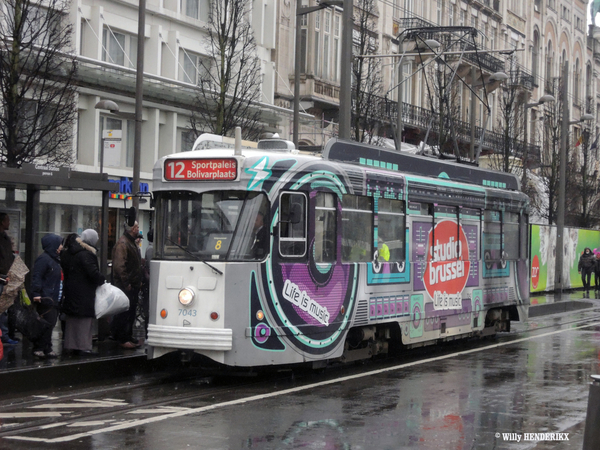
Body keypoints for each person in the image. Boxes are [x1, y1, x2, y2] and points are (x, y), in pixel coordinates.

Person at [60, 229, 105, 355]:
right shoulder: (87, 254)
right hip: (84, 294)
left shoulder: (70, 252)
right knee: (84, 322)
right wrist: (102, 279)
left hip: (71, 293)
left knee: (72, 322)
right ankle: (83, 347)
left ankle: (71, 345)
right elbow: (93, 274)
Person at [30, 234, 63, 358]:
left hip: (53, 298)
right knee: (44, 324)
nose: (61, 247)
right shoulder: (44, 259)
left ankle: (47, 347)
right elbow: (37, 277)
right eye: (59, 244)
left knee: (50, 323)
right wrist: (36, 293)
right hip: (46, 298)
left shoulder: (55, 260)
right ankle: (39, 347)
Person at [110, 221, 143, 349]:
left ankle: (127, 335)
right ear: (133, 229)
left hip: (132, 284)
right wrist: (126, 283)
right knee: (124, 313)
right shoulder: (123, 243)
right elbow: (119, 266)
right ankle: (122, 337)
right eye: (137, 227)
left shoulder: (129, 243)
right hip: (125, 286)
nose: (138, 229)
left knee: (130, 312)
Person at [0, 212, 18, 345]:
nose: (9, 223)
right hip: (1, 277)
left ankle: (5, 335)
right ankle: (4, 335)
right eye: (7, 220)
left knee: (5, 309)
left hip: (6, 277)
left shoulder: (6, 238)